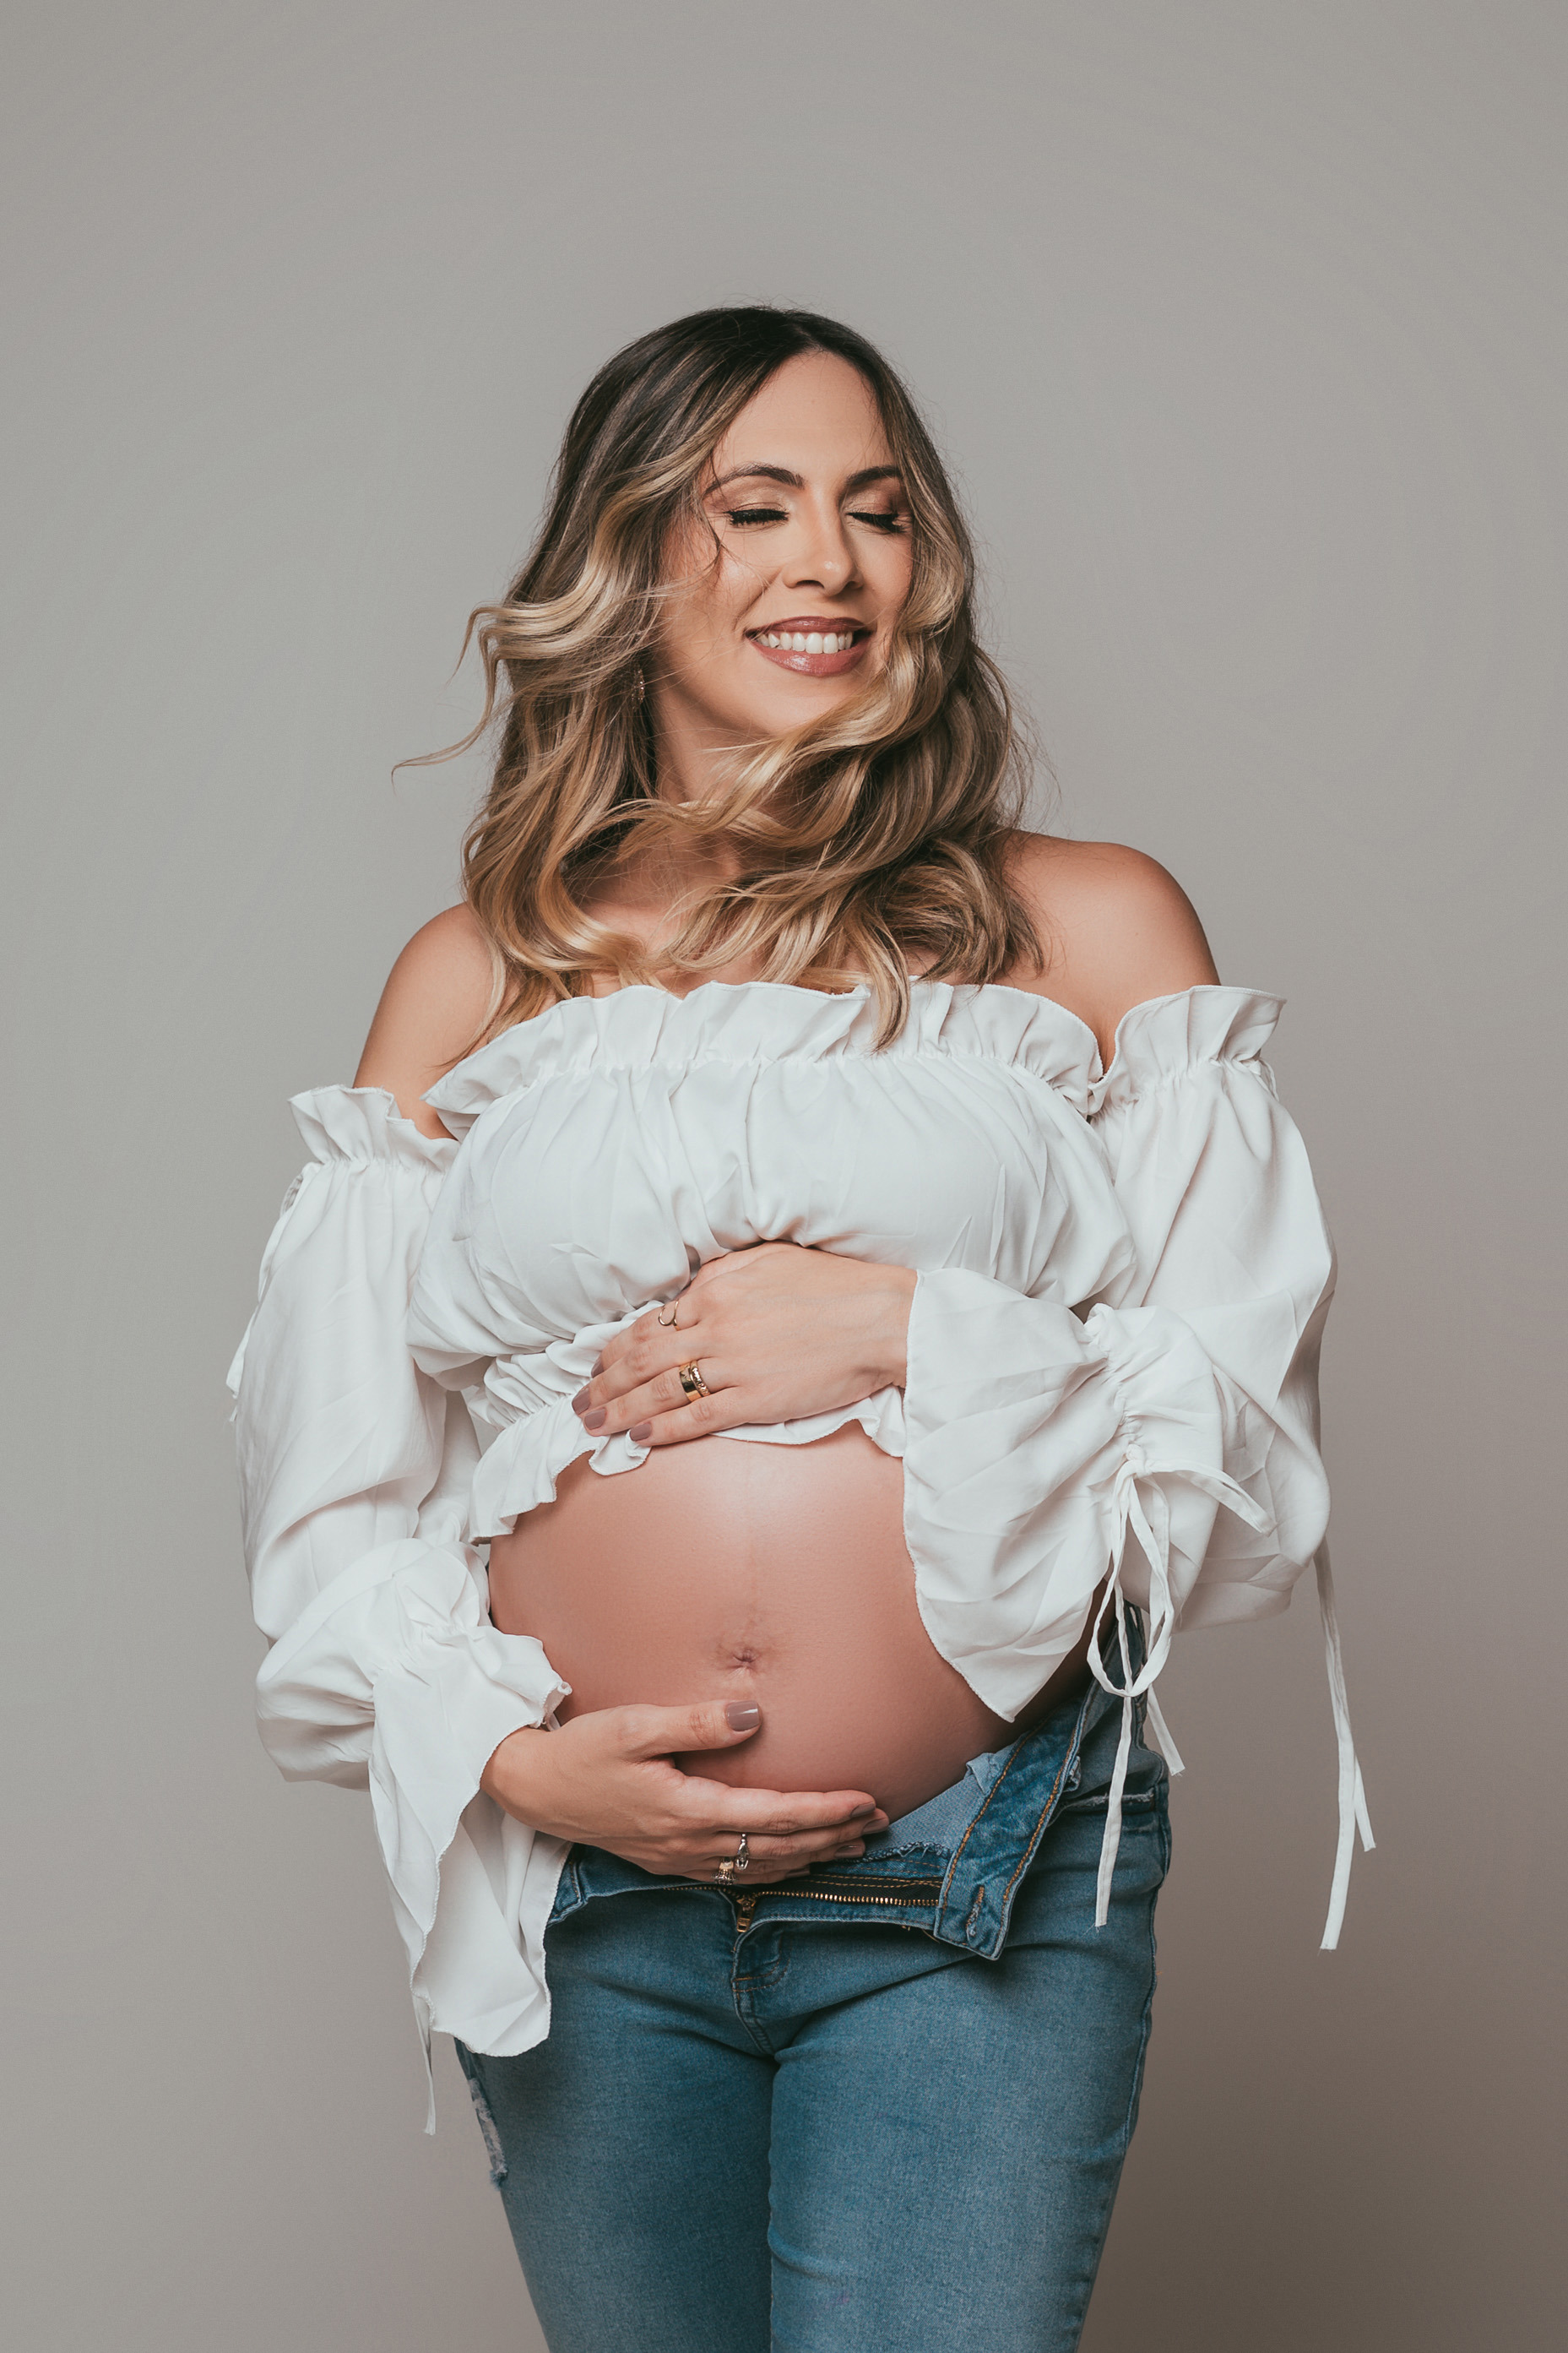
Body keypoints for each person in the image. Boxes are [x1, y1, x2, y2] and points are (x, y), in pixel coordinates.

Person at [229, 306, 1369, 2353]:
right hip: (589, 1890)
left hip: (971, 1875)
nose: (826, 563)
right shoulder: (481, 970)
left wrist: (913, 1328)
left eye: (876, 509)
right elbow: (334, 1506)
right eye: (751, 507)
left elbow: (1242, 1455)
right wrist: (515, 1762)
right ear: (625, 558)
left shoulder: (1087, 925)